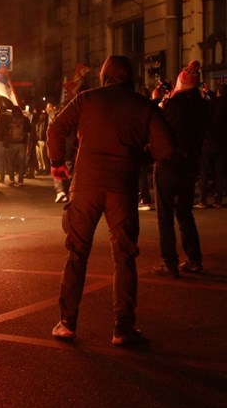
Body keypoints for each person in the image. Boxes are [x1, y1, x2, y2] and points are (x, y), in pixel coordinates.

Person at [46, 55, 173, 346]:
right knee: (125, 256)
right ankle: (122, 328)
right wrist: (138, 156)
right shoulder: (144, 106)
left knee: (77, 253)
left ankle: (67, 323)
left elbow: (55, 129)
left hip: (86, 185)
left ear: (105, 76)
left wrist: (57, 165)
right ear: (130, 77)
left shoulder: (86, 99)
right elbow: (165, 149)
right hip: (122, 188)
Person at [152, 61, 211, 277]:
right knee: (185, 212)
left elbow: (158, 128)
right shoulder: (203, 106)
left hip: (169, 164)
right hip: (190, 165)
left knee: (165, 215)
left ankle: (169, 262)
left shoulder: (173, 106)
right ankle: (194, 259)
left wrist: (156, 101)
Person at [197, 84, 227, 209]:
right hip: (223, 142)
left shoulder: (211, 104)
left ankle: (203, 199)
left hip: (209, 141)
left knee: (204, 170)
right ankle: (218, 200)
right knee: (220, 172)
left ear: (218, 92)